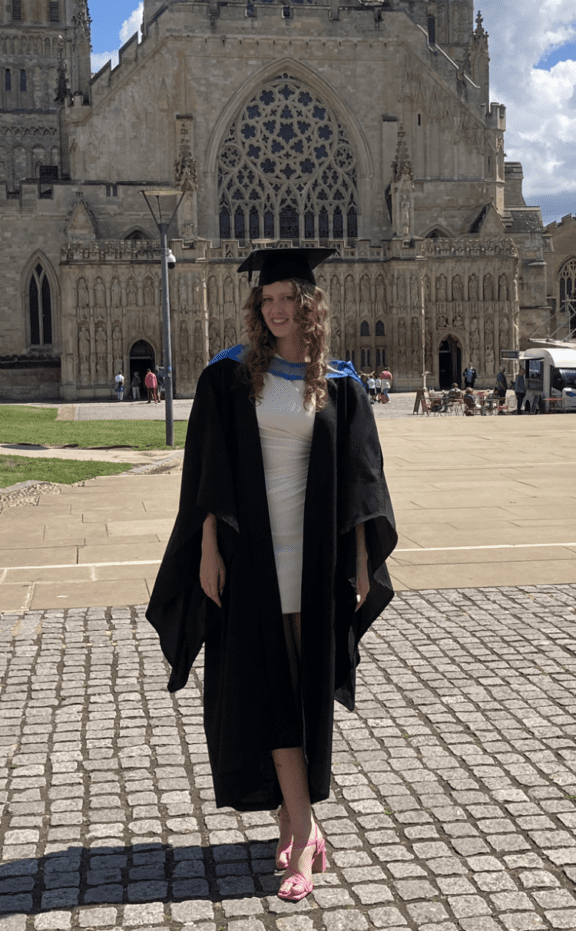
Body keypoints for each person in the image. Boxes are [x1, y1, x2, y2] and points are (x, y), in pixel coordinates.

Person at [146, 248, 397, 902]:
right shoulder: (230, 377)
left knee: (303, 689)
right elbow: (208, 472)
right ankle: (305, 837)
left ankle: (293, 819)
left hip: (315, 559)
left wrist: (363, 561)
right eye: (267, 300)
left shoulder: (339, 383)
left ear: (310, 306)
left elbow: (361, 480)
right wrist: (208, 548)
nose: (277, 309)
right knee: (272, 689)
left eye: (288, 298)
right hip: (252, 555)